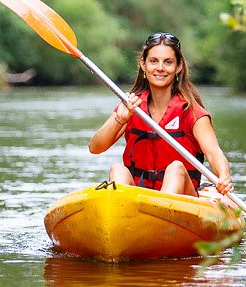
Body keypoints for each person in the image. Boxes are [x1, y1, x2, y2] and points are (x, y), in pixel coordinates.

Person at [88, 31, 233, 199]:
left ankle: (159, 210)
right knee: (117, 170)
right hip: (141, 198)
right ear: (143, 64)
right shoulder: (132, 107)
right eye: (153, 61)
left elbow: (214, 153)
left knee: (176, 169)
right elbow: (95, 147)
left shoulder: (191, 112)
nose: (160, 68)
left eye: (168, 62)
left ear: (178, 67)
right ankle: (128, 216)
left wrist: (224, 175)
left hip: (183, 200)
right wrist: (120, 119)